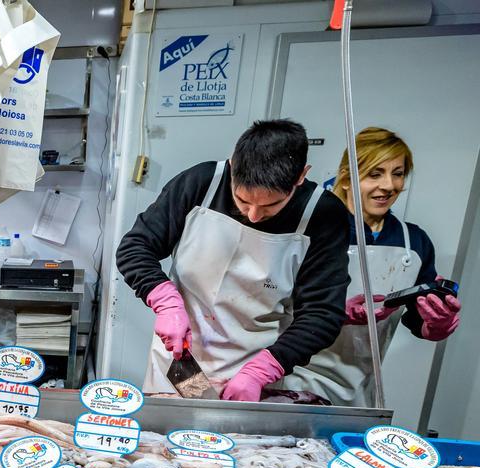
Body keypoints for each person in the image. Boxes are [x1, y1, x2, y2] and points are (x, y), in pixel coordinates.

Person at [115, 119, 350, 402]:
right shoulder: (201, 183)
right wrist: (166, 302)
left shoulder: (323, 215)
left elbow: (322, 314)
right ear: (232, 165)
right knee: (174, 437)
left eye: (270, 205)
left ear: (301, 176)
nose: (253, 215)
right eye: (242, 200)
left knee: (243, 443)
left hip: (255, 367)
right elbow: (135, 247)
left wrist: (262, 370)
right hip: (182, 360)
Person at [284, 127, 461, 406]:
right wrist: (333, 313)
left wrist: (436, 324)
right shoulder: (311, 231)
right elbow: (271, 302)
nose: (389, 185)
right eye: (374, 174)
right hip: (295, 379)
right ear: (346, 178)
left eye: (398, 173)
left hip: (362, 392)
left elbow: (417, 319)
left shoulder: (413, 242)